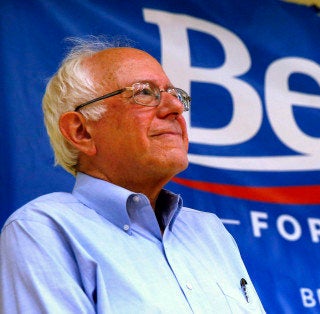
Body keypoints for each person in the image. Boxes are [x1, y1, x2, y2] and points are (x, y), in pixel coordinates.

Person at [0, 37, 265, 313]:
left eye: (175, 94)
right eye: (145, 93)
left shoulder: (210, 232)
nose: (175, 108)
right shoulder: (44, 229)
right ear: (81, 131)